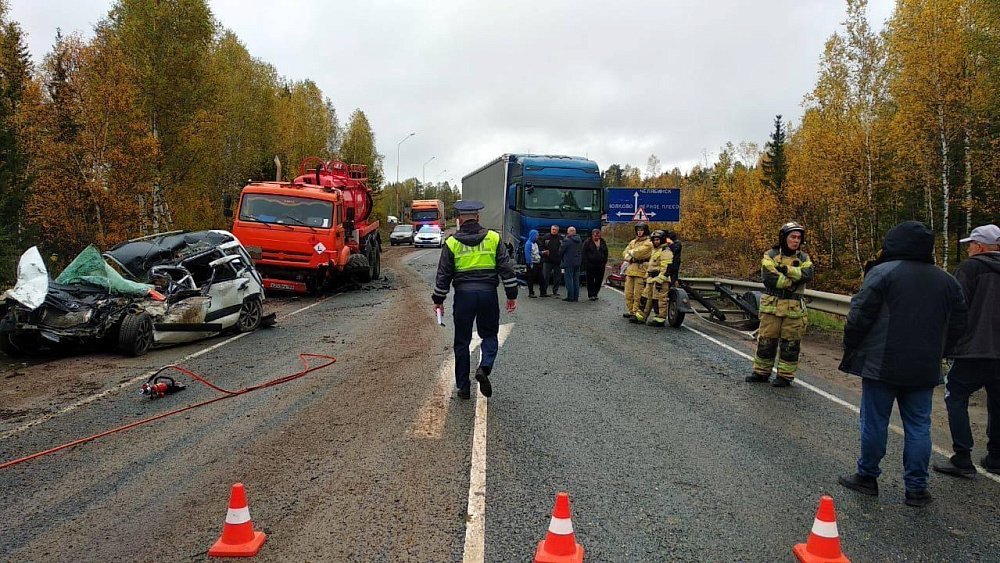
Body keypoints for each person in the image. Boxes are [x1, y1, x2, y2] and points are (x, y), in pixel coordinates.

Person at [837, 221, 967, 507]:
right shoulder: (947, 281)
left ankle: (867, 476)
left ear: (894, 243)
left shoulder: (883, 272)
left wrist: (852, 345)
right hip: (924, 366)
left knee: (874, 422)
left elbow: (859, 314)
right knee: (919, 426)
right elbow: (959, 323)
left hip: (881, 364)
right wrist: (940, 351)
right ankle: (917, 489)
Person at [432, 200, 518, 400]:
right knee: (489, 335)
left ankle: (463, 387)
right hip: (488, 294)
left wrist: (438, 300)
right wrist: (511, 294)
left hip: (463, 297)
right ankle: (484, 367)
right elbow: (506, 268)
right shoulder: (493, 238)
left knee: (462, 342)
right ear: (478, 217)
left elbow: (443, 275)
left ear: (460, 219)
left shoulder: (451, 243)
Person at [934, 224, 1000, 478]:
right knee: (997, 402)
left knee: (956, 397)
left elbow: (955, 308)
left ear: (980, 246)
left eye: (972, 244)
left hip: (972, 349)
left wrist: (946, 345)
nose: (970, 248)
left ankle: (962, 457)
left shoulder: (970, 269)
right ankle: (996, 457)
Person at [747, 222, 814, 387]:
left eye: (799, 238)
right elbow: (769, 277)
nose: (796, 241)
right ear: (784, 237)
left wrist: (784, 270)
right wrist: (792, 280)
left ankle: (785, 376)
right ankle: (761, 373)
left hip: (794, 309)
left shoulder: (804, 258)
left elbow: (807, 274)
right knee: (766, 341)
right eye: (793, 237)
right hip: (772, 307)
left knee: (790, 345)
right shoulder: (770, 254)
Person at [634, 230, 673, 326]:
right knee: (645, 298)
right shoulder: (655, 250)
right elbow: (651, 266)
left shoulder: (666, 251)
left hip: (660, 281)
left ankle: (659, 319)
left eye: (657, 240)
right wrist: (646, 278)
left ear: (662, 240)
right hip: (651, 279)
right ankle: (641, 316)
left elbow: (667, 268)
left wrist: (660, 280)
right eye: (654, 240)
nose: (656, 241)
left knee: (659, 300)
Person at [622, 222, 653, 320]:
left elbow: (640, 253)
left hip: (641, 271)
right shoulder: (633, 242)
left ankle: (636, 312)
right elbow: (625, 253)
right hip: (630, 269)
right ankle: (631, 311)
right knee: (628, 293)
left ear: (645, 231)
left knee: (638, 294)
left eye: (641, 230)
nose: (639, 232)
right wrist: (630, 256)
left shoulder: (649, 242)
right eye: (638, 230)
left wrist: (631, 253)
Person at [582, 228, 609, 300]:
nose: (597, 237)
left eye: (598, 236)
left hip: (600, 264)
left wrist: (604, 261)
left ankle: (595, 293)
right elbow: (584, 252)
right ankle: (591, 295)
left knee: (599, 279)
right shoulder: (587, 242)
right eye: (595, 236)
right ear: (592, 235)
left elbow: (606, 252)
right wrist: (586, 262)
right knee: (590, 279)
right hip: (590, 264)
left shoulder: (602, 241)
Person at [559, 226, 583, 302]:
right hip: (577, 262)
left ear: (568, 232)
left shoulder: (567, 240)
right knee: (576, 280)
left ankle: (570, 297)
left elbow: (561, 251)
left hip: (568, 262)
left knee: (569, 280)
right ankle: (576, 297)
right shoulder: (579, 240)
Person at [540, 225, 563, 297]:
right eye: (553, 229)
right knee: (545, 277)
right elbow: (541, 247)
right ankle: (544, 291)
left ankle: (555, 291)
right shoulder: (546, 237)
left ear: (558, 230)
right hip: (547, 260)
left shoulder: (561, 238)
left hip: (557, 261)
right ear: (551, 229)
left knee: (558, 277)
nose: (554, 231)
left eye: (555, 230)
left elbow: (563, 248)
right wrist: (544, 252)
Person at [524, 229, 545, 298]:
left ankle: (543, 292)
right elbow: (527, 254)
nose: (537, 237)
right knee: (531, 279)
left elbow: (537, 252)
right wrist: (530, 263)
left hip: (537, 263)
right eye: (536, 235)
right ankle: (531, 293)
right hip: (532, 263)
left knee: (541, 278)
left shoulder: (535, 243)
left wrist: (542, 252)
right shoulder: (528, 244)